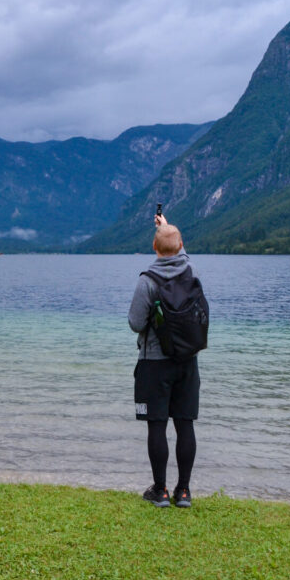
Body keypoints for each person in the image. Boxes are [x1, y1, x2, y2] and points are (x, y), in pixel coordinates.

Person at [127, 213, 200, 508]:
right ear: (181, 244)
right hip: (187, 360)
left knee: (156, 426)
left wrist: (162, 234)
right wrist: (168, 229)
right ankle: (184, 491)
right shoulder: (190, 273)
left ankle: (161, 490)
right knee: (185, 424)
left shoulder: (148, 281)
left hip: (155, 363)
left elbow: (135, 323)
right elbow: (178, 254)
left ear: (154, 249)